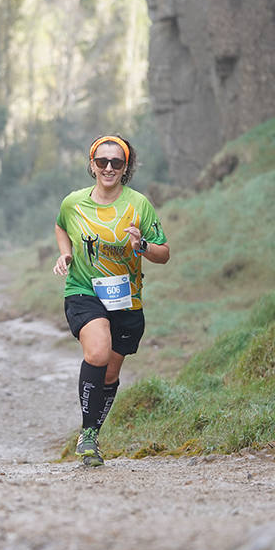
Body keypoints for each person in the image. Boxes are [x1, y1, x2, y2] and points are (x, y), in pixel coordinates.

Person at [53, 134, 170, 466]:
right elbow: (61, 226)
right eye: (102, 161)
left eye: (116, 162)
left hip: (126, 299)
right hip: (83, 291)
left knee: (109, 373)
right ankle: (88, 435)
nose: (108, 167)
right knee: (98, 352)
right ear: (92, 165)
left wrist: (142, 246)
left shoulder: (139, 205)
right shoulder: (73, 203)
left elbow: (164, 254)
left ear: (125, 167)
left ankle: (92, 435)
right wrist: (66, 254)